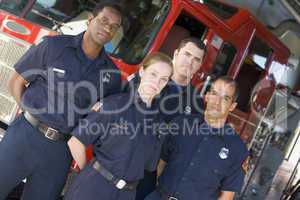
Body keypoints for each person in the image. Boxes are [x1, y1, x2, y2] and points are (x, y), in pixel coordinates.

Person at [0, 1, 123, 200]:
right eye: (104, 21)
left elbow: (101, 119)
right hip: (25, 136)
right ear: (90, 20)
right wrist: (31, 114)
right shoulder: (53, 46)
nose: (108, 28)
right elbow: (16, 81)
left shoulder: (112, 75)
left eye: (114, 26)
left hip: (60, 152)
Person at [64, 52, 173, 200]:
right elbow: (75, 142)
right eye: (153, 74)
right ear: (142, 71)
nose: (156, 83)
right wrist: (90, 174)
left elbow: (149, 165)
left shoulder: (159, 124)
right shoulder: (115, 104)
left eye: (163, 79)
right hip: (93, 187)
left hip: (127, 194)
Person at [146, 76, 249, 200]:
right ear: (207, 96)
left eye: (225, 98)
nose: (217, 102)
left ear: (232, 106)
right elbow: (162, 163)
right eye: (214, 94)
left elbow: (226, 196)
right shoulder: (180, 124)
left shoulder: (237, 149)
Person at [129, 37, 206, 200]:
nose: (190, 62)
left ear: (199, 66)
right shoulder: (150, 77)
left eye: (196, 59)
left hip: (153, 173)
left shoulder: (197, 103)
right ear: (176, 53)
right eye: (187, 54)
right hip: (125, 158)